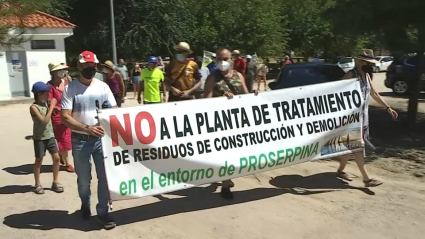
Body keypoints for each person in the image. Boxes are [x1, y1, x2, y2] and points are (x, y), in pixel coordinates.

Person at [61, 50, 117, 229]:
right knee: (84, 179)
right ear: (79, 67)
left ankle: (103, 212)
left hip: (102, 140)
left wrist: (110, 113)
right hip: (80, 140)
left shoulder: (103, 87)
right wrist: (87, 128)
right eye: (86, 66)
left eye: (93, 66)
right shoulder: (71, 89)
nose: (90, 69)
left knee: (104, 178)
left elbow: (115, 110)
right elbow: (65, 117)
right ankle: (85, 204)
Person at [203, 47, 258, 200]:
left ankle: (226, 178)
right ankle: (226, 184)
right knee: (224, 153)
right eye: (219, 59)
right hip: (220, 123)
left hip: (238, 122)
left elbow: (246, 95)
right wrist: (221, 98)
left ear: (231, 60)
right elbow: (205, 101)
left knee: (237, 153)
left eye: (225, 59)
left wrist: (254, 95)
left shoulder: (239, 75)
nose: (222, 62)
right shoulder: (212, 78)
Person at [336, 55, 398, 187]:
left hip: (363, 119)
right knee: (358, 147)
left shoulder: (367, 76)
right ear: (358, 62)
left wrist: (388, 108)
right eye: (366, 62)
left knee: (351, 147)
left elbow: (374, 94)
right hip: (351, 120)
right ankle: (366, 179)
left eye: (370, 63)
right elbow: (337, 92)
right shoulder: (351, 75)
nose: (369, 65)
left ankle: (340, 170)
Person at [30, 81, 64, 194]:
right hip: (40, 137)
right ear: (40, 94)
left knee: (56, 158)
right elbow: (44, 121)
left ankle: (55, 181)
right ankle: (37, 184)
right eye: (46, 93)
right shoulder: (34, 107)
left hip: (50, 136)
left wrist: (53, 110)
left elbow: (48, 116)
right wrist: (52, 106)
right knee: (39, 159)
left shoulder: (45, 104)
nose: (48, 95)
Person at [47, 62, 75, 173]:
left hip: (69, 113)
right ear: (53, 73)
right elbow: (49, 102)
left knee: (69, 137)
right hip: (57, 116)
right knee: (63, 138)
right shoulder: (49, 87)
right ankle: (68, 162)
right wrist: (56, 109)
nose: (63, 72)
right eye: (60, 70)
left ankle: (63, 155)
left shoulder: (66, 83)